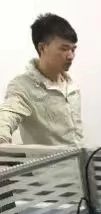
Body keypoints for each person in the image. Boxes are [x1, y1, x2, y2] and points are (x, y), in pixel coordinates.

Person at [0, 13, 82, 146]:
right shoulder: (23, 86)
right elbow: (6, 116)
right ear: (42, 48)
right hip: (48, 160)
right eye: (64, 49)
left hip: (80, 159)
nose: (71, 56)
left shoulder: (71, 85)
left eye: (73, 49)